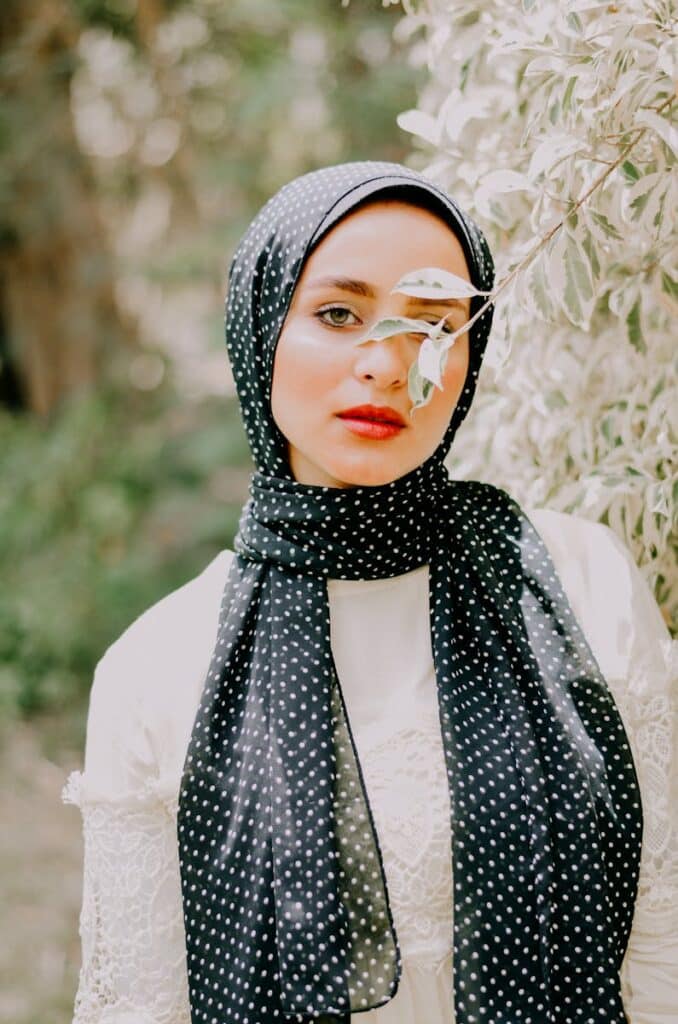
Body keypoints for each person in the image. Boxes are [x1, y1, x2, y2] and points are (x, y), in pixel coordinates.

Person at [62, 161, 677, 1024]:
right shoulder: (159, 669)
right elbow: (141, 1006)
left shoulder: (583, 582)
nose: (388, 364)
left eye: (434, 324)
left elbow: (663, 938)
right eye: (338, 314)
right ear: (261, 325)